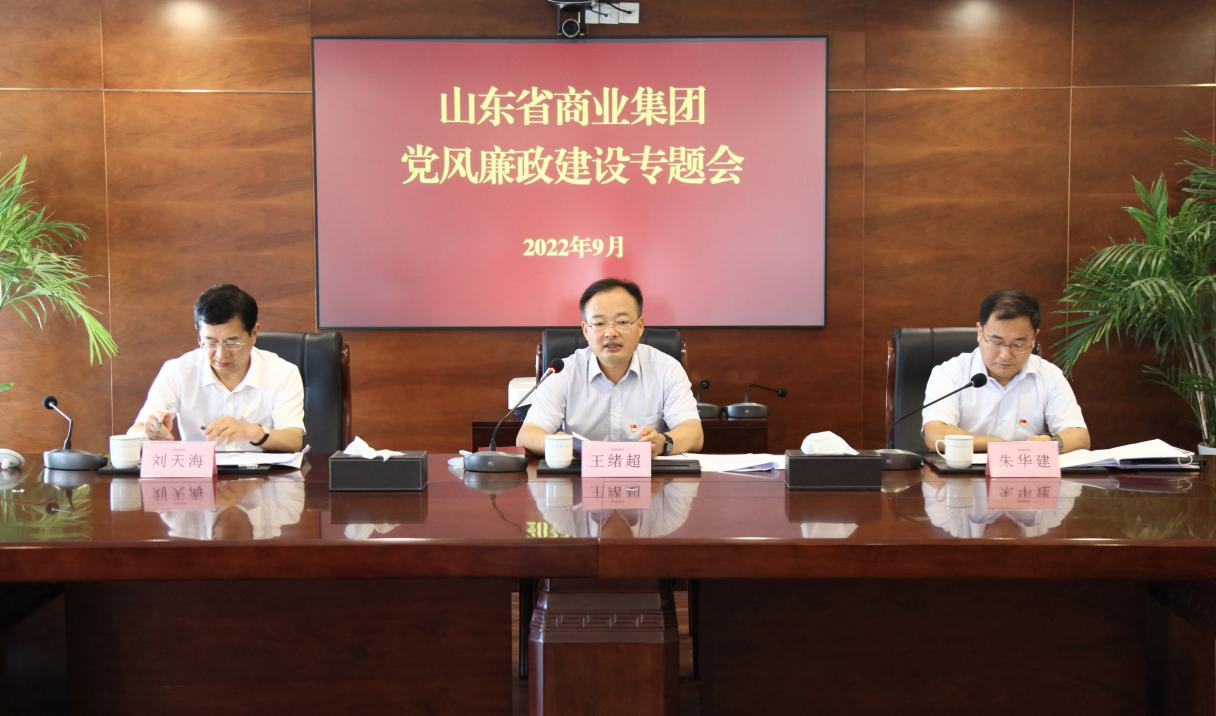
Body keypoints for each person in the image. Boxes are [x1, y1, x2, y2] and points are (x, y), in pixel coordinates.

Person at [517, 278, 704, 458]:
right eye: (599, 323)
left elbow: (694, 433)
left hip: (648, 476)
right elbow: (526, 436)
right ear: (586, 330)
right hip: (579, 477)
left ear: (640, 326)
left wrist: (663, 443)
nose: (610, 333)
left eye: (622, 322)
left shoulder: (666, 369)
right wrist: (556, 443)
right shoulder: (564, 372)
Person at [129, 284, 305, 452]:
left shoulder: (283, 373)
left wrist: (251, 431)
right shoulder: (178, 371)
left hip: (263, 471)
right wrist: (150, 432)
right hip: (199, 470)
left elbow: (293, 440)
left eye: (232, 342)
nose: (221, 354)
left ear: (254, 333)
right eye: (210, 342)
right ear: (199, 334)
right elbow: (135, 432)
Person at [922, 289, 1090, 453]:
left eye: (1018, 344)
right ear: (980, 332)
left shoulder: (1049, 374)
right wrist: (1000, 446)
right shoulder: (950, 373)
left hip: (1026, 469)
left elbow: (1080, 437)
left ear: (1033, 338)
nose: (1006, 355)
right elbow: (935, 434)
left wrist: (1048, 442)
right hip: (965, 470)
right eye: (996, 342)